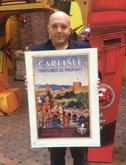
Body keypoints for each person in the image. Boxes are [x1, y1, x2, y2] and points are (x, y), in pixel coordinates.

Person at [26, 11, 98, 165]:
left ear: (69, 30)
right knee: (56, 158)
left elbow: (97, 75)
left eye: (63, 26)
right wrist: (29, 82)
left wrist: (96, 80)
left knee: (81, 158)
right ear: (48, 29)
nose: (59, 30)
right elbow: (32, 77)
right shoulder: (37, 51)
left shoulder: (83, 48)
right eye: (55, 26)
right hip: (53, 130)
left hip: (80, 131)